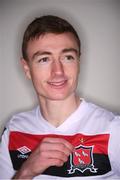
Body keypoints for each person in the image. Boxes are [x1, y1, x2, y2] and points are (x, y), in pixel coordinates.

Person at [0, 15, 120, 180]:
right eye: (44, 59)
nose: (58, 71)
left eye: (67, 57)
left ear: (78, 62)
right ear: (27, 69)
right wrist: (26, 172)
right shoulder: (14, 130)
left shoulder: (113, 129)